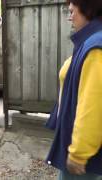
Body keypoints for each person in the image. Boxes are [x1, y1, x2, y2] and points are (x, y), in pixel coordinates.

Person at [46, 0, 102, 179]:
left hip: (86, 159)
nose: (69, 17)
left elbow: (93, 105)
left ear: (87, 8)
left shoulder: (95, 47)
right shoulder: (91, 41)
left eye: (71, 11)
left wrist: (79, 154)